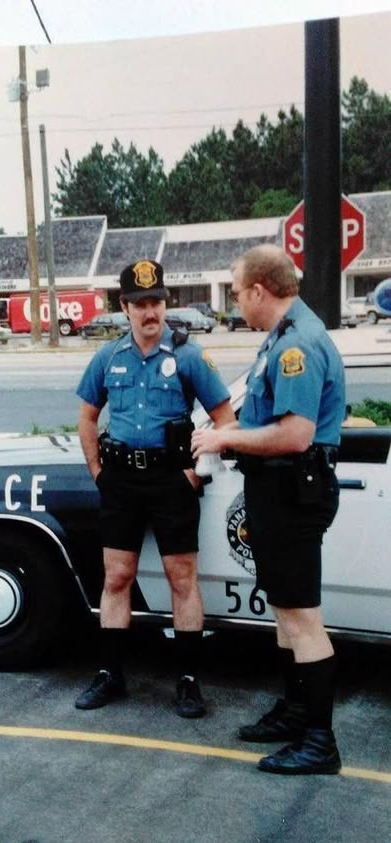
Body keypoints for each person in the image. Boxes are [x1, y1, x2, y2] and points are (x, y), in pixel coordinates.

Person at [192, 245, 346, 774]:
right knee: (285, 611)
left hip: (291, 493)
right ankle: (297, 712)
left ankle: (320, 742)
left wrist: (221, 442)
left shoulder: (295, 346)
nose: (235, 304)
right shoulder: (278, 340)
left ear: (259, 290)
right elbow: (266, 421)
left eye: (236, 293)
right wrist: (224, 433)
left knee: (302, 617)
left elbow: (295, 434)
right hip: (277, 492)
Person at [75, 259, 235, 717]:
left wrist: (192, 473)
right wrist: (98, 473)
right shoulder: (108, 358)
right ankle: (110, 674)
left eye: (157, 302)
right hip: (121, 480)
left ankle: (187, 681)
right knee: (117, 576)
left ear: (167, 304)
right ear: (124, 307)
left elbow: (225, 420)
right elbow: (87, 417)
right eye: (141, 303)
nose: (151, 312)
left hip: (171, 480)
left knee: (181, 579)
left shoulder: (188, 355)